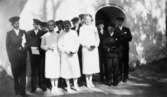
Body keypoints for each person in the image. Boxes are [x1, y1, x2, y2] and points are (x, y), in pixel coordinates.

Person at [6, 16, 28, 97]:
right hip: (14, 59)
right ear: (12, 24)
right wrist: (10, 59)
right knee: (15, 75)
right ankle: (17, 91)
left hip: (22, 58)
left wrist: (23, 48)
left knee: (23, 76)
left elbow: (27, 44)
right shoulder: (9, 34)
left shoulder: (23, 32)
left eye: (18, 23)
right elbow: (7, 47)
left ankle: (23, 92)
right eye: (15, 23)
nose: (17, 24)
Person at [58, 20, 81, 93]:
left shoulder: (74, 33)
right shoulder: (61, 33)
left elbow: (77, 42)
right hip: (65, 55)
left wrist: (74, 50)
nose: (67, 27)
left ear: (70, 26)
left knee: (75, 70)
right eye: (65, 26)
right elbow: (59, 44)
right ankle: (68, 86)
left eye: (68, 26)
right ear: (63, 27)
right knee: (66, 71)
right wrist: (65, 51)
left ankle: (75, 85)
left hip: (73, 55)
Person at [41, 20, 62, 95]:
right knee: (51, 71)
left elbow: (60, 45)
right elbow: (42, 46)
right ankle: (53, 86)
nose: (51, 26)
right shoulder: (45, 35)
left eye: (52, 25)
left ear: (54, 26)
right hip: (49, 54)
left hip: (56, 55)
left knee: (56, 70)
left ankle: (56, 86)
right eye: (49, 25)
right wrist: (48, 47)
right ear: (47, 26)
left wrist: (59, 52)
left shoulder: (58, 35)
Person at [79, 14, 100, 88]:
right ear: (84, 20)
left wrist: (95, 45)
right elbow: (80, 40)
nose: (87, 21)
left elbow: (97, 38)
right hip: (86, 49)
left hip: (93, 49)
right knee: (87, 65)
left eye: (89, 19)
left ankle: (91, 81)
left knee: (92, 66)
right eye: (86, 19)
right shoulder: (82, 28)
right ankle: (87, 81)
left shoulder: (94, 28)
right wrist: (87, 46)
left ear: (91, 20)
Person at [27, 19, 46, 93]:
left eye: (37, 24)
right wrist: (32, 50)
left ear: (39, 25)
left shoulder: (43, 33)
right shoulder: (29, 33)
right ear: (33, 25)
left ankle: (42, 85)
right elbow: (27, 44)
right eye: (34, 24)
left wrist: (41, 50)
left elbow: (44, 43)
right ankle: (33, 87)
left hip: (41, 55)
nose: (36, 26)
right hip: (33, 55)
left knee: (41, 70)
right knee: (34, 71)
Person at [115, 17, 132, 82]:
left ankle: (125, 77)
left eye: (121, 21)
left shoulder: (127, 29)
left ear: (123, 22)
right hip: (118, 50)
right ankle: (119, 77)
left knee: (125, 64)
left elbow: (130, 38)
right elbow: (114, 39)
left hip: (125, 49)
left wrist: (124, 36)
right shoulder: (115, 29)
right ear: (117, 22)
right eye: (118, 21)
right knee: (119, 64)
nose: (119, 22)